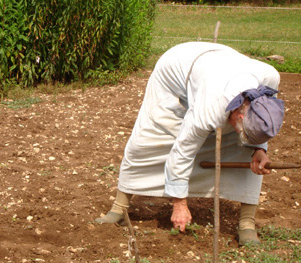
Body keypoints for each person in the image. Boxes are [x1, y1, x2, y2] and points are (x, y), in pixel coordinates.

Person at [95, 41, 285, 246]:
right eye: (243, 131)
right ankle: (119, 208)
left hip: (218, 70)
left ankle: (247, 223)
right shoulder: (211, 107)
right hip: (176, 74)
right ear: (238, 114)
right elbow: (183, 152)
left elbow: (260, 126)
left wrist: (259, 150)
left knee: (245, 154)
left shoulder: (269, 80)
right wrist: (179, 204)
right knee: (148, 142)